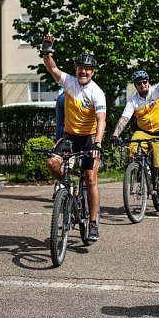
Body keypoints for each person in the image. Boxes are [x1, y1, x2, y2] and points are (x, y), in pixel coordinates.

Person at [40, 34, 106, 242]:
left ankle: (93, 222)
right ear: (76, 69)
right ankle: (70, 189)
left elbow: (101, 119)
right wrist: (46, 50)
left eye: (87, 69)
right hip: (70, 136)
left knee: (91, 177)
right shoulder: (69, 82)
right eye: (80, 68)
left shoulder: (97, 92)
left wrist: (97, 142)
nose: (83, 72)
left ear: (92, 72)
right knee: (52, 161)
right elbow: (51, 67)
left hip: (88, 138)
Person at [111, 49, 159, 208]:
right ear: (135, 86)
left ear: (148, 82)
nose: (142, 85)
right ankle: (139, 170)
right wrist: (115, 135)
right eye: (139, 83)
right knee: (131, 147)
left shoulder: (157, 91)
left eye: (144, 82)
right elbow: (124, 118)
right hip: (143, 131)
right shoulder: (133, 100)